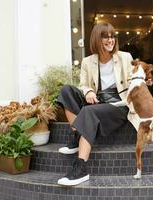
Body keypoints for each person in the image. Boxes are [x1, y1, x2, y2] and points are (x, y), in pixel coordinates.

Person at [56, 22, 139, 186]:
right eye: (105, 37)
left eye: (112, 36)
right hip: (97, 100)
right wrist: (88, 92)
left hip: (118, 105)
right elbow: (83, 85)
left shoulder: (125, 57)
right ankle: (78, 134)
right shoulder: (88, 62)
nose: (111, 40)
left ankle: (81, 168)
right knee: (66, 91)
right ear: (96, 39)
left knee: (88, 112)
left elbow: (134, 82)